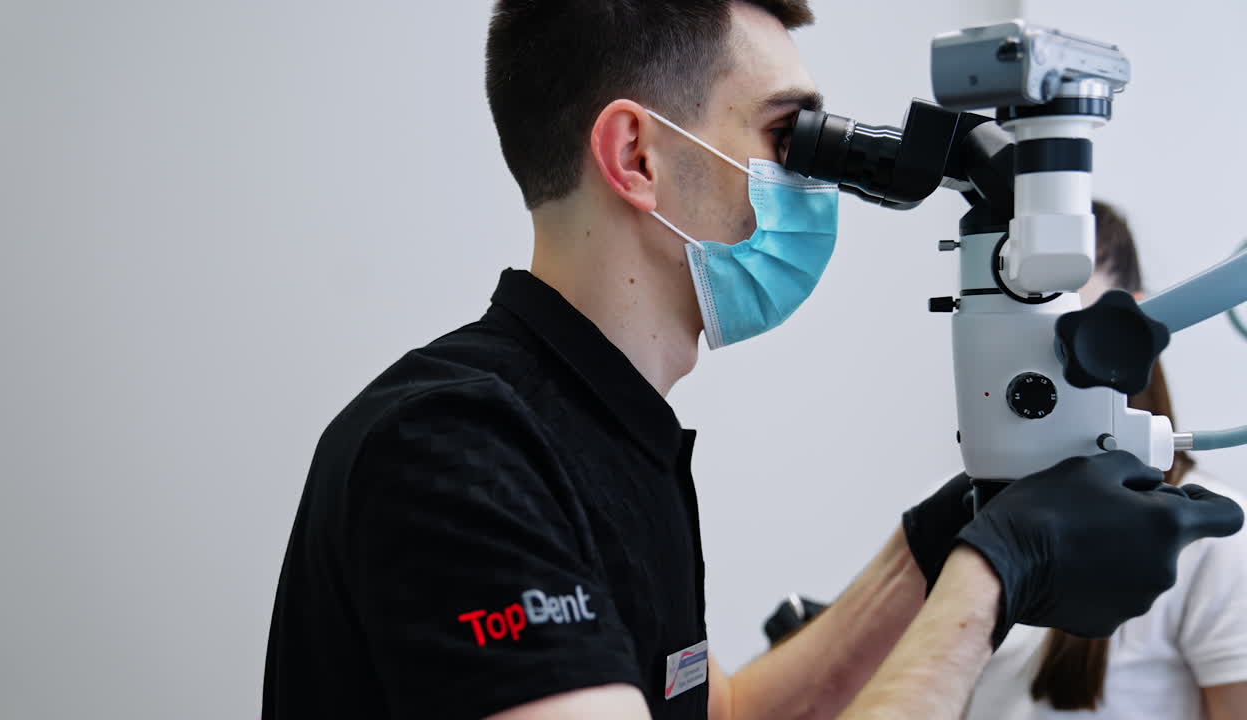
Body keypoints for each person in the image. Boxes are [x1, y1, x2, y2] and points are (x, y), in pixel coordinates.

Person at [261, 3, 1243, 719]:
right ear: (637, 156)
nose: (814, 186)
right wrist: (992, 574)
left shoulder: (611, 432)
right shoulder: (452, 452)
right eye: (787, 136)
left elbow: (715, 716)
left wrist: (953, 529)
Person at [964, 202, 1247, 720]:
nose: (1043, 365)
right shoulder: (963, 515)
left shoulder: (1215, 547)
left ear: (1136, 328)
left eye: (1066, 332)